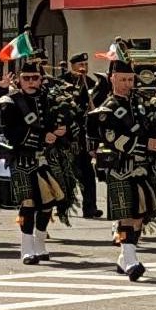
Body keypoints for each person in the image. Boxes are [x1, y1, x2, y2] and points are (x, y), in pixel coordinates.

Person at [92, 59, 156, 281]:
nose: (127, 84)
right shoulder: (107, 108)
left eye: (130, 79)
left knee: (139, 216)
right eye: (123, 79)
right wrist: (145, 144)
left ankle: (125, 258)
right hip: (121, 167)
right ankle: (131, 260)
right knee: (126, 216)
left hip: (143, 166)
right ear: (112, 79)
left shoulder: (141, 103)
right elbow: (112, 138)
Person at [0, 62, 71, 264]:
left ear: (41, 79)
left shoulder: (51, 99)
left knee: (47, 204)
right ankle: (26, 248)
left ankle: (40, 242)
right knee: (28, 204)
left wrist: (61, 132)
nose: (31, 82)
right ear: (19, 80)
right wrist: (41, 137)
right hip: (22, 157)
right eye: (26, 78)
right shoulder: (10, 102)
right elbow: (10, 132)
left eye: (34, 78)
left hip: (46, 158)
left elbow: (65, 125)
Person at [63, 52, 108, 219]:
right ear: (72, 66)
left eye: (85, 65)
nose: (83, 68)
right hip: (66, 136)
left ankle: (90, 207)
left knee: (87, 173)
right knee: (67, 174)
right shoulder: (63, 81)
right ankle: (62, 206)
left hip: (83, 135)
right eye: (80, 65)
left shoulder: (90, 84)